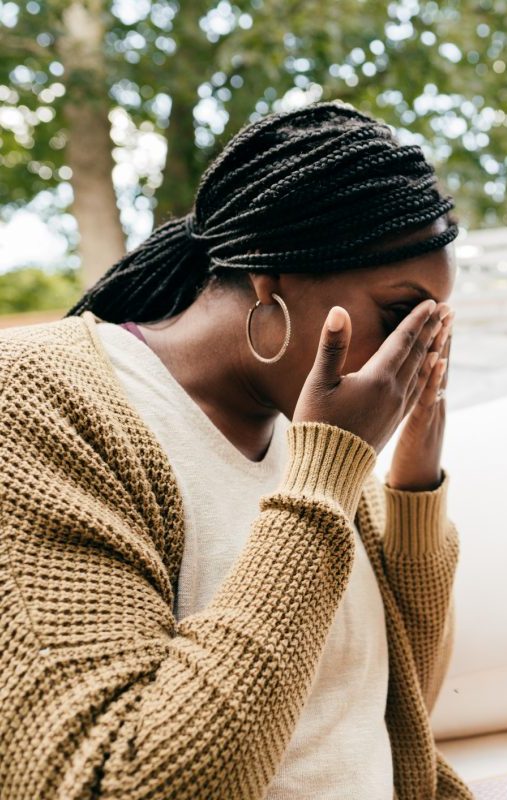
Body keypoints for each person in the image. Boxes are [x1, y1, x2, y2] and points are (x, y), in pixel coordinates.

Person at [0, 101, 472, 800]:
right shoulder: (41, 398)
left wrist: (411, 488)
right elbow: (122, 783)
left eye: (434, 324)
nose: (417, 353)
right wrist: (326, 475)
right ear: (270, 283)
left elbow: (399, 716)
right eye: (401, 316)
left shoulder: (317, 437)